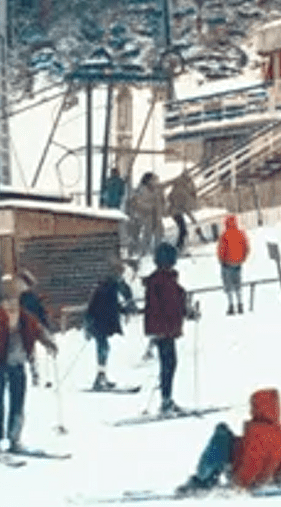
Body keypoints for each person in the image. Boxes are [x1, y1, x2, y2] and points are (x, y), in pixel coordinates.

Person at [0, 279, 59, 454]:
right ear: (2, 300)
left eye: (14, 299)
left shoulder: (25, 317)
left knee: (17, 403)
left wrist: (49, 343)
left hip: (18, 364)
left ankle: (14, 438)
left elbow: (37, 330)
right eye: (8, 299)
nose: (11, 303)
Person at [175, 387, 281, 497]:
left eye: (253, 406)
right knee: (231, 438)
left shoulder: (257, 432)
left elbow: (252, 460)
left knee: (221, 433)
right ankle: (209, 477)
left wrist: (238, 485)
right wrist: (278, 478)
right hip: (261, 478)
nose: (251, 410)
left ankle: (202, 480)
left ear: (260, 408)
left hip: (244, 476)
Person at [144, 241, 192, 414]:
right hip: (164, 328)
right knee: (168, 363)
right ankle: (166, 401)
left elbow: (176, 300)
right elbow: (169, 304)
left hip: (163, 328)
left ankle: (167, 398)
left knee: (169, 363)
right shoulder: (163, 281)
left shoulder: (163, 279)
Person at [84, 256, 136, 390]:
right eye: (119, 273)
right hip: (98, 322)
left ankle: (101, 377)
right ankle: (100, 379)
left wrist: (124, 309)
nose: (121, 276)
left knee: (104, 348)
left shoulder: (108, 285)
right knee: (103, 348)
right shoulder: (106, 286)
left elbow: (114, 304)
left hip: (99, 321)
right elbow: (104, 306)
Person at [16, 269, 52, 387]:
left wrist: (46, 323)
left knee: (39, 348)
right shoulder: (21, 298)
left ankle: (41, 374)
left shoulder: (31, 297)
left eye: (22, 284)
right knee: (30, 351)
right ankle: (34, 372)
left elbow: (40, 312)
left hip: (35, 326)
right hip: (26, 327)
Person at [216, 215, 249, 315]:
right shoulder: (241, 233)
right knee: (238, 284)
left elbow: (221, 250)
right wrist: (242, 258)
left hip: (227, 264)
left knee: (228, 286)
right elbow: (246, 248)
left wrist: (221, 260)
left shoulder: (225, 235)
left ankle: (231, 306)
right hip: (238, 264)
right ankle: (240, 305)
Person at [129, 172, 167, 259]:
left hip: (157, 217)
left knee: (159, 235)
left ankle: (158, 254)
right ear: (149, 180)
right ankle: (142, 254)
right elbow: (136, 203)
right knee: (147, 236)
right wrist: (149, 207)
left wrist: (162, 209)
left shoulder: (158, 190)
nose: (156, 182)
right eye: (154, 180)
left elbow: (162, 202)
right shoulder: (141, 190)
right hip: (147, 216)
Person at [167, 171, 199, 253]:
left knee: (183, 230)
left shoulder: (178, 187)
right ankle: (179, 248)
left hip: (175, 212)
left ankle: (180, 247)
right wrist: (192, 219)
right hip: (176, 212)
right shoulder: (181, 191)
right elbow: (185, 208)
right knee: (183, 230)